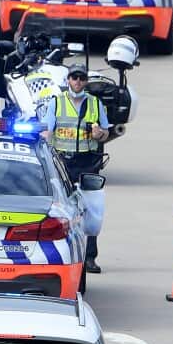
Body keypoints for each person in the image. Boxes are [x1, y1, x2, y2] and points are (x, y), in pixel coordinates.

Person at [37, 63, 108, 273]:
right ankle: (65, 254)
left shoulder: (95, 104)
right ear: (68, 79)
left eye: (81, 78)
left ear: (86, 81)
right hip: (63, 164)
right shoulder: (56, 103)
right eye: (74, 77)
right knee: (62, 210)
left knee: (92, 209)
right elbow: (47, 131)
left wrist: (99, 134)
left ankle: (90, 257)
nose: (77, 81)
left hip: (88, 162)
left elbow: (106, 131)